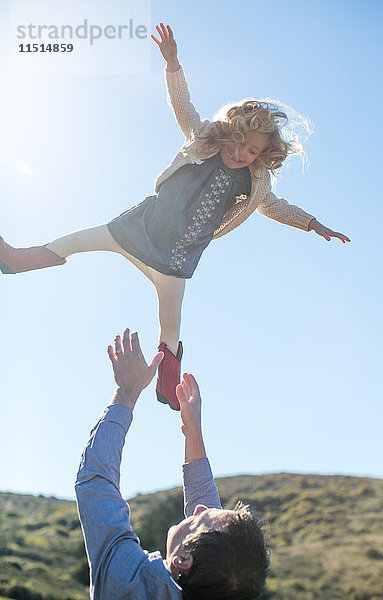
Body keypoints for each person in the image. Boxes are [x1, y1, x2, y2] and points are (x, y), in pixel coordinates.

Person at [0, 23, 350, 410]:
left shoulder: (256, 182)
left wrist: (312, 223)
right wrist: (173, 63)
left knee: (171, 325)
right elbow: (183, 105)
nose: (242, 155)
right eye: (240, 143)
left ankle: (167, 386)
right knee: (75, 242)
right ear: (230, 132)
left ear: (261, 157)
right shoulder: (202, 138)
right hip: (138, 229)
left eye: (252, 152)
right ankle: (16, 260)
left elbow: (274, 206)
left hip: (175, 258)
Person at [75, 328, 269, 599]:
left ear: (183, 560)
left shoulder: (126, 583)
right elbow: (209, 532)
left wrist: (127, 391)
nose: (200, 508)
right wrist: (193, 432)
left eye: (202, 517)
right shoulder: (210, 584)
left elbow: (96, 482)